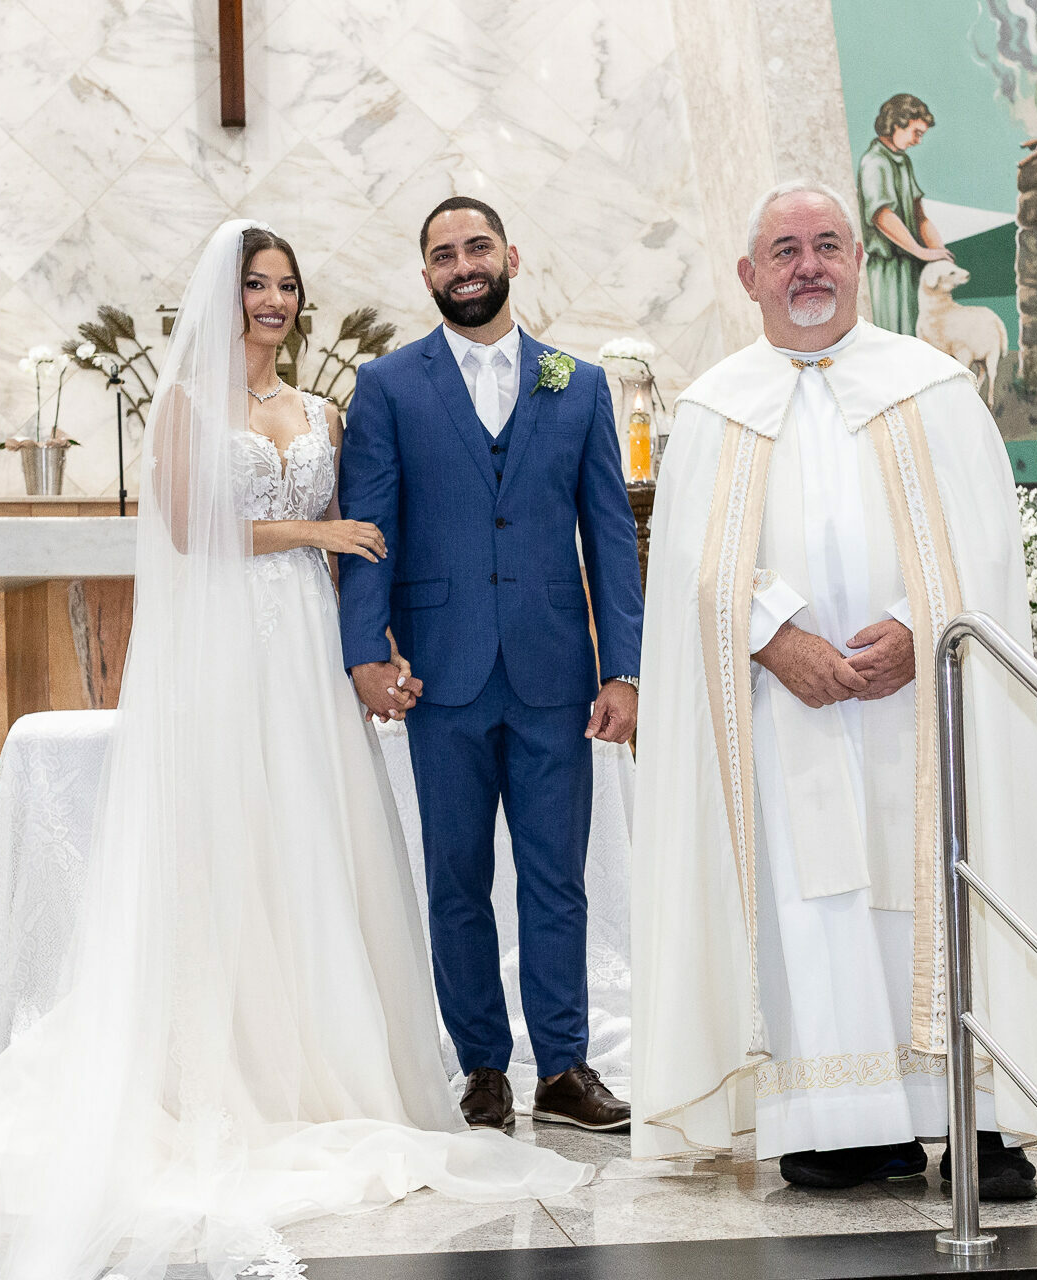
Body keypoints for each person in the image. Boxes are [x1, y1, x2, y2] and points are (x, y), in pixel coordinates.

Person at [0, 220, 589, 1278]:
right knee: (228, 838)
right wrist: (315, 533)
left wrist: (376, 648)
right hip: (227, 645)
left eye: (285, 286)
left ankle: (330, 1061)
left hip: (305, 649)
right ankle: (227, 1066)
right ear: (225, 300)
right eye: (254, 285)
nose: (271, 301)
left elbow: (367, 542)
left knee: (313, 840)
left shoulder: (322, 409)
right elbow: (188, 530)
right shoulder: (184, 406)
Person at [631, 181, 1037, 1201]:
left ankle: (981, 1117)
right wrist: (771, 636)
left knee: (948, 877)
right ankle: (844, 1123)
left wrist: (925, 626)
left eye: (829, 244)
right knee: (815, 898)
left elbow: (989, 547)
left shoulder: (932, 386)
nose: (809, 266)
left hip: (927, 707)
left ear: (858, 263)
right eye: (785, 249)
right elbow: (690, 564)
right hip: (785, 711)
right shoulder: (714, 407)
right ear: (750, 276)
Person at [338, 197, 645, 1135]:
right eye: (444, 255)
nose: (463, 265)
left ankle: (564, 1067)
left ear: (511, 256)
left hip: (555, 672)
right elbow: (369, 529)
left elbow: (610, 537)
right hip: (442, 672)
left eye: (477, 247)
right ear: (425, 275)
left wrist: (624, 670)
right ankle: (481, 1065)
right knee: (456, 878)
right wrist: (366, 652)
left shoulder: (578, 384)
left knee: (558, 878)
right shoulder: (387, 386)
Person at [856, 93, 951, 336]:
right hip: (889, 273)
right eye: (916, 133)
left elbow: (920, 217)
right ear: (897, 124)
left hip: (912, 266)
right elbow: (882, 215)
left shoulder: (903, 161)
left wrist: (939, 252)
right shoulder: (874, 162)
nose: (918, 141)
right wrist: (922, 251)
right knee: (895, 336)